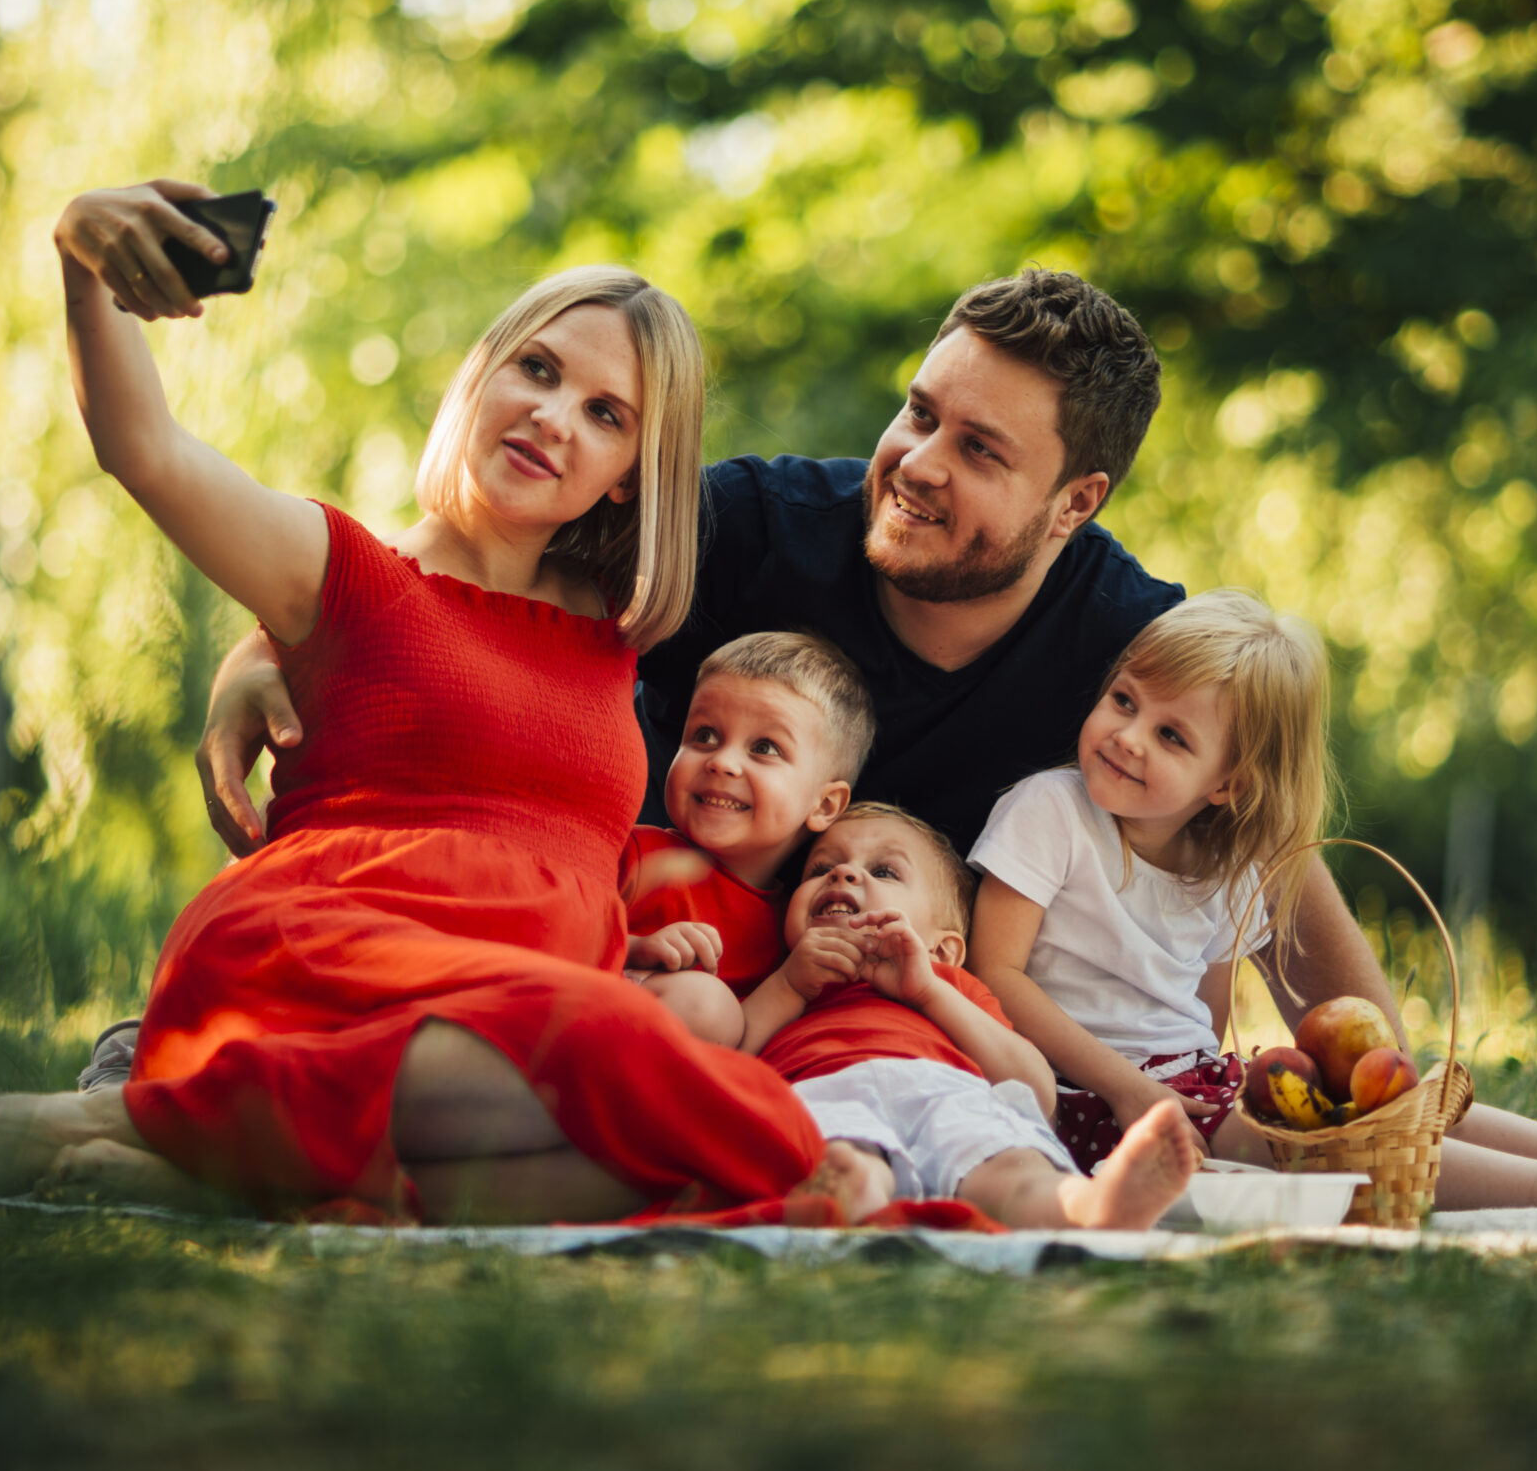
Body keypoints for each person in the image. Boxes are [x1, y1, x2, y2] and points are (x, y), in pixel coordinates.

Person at [0, 178, 884, 1224]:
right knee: (685, 1089)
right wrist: (82, 261)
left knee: (666, 1114)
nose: (552, 418)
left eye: (604, 414)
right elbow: (149, 451)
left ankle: (225, 1158)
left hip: (505, 1021)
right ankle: (150, 1118)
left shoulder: (622, 623)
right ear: (482, 374)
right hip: (321, 955)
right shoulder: (342, 567)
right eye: (536, 370)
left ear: (632, 473)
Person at [187, 267, 1412, 1064]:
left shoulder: (1122, 647)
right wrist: (265, 645)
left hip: (892, 1010)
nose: (918, 459)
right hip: (663, 959)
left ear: (1071, 503)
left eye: (979, 448)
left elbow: (1258, 833)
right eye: (918, 411)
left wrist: (1374, 1064)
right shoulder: (747, 527)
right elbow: (458, 567)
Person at [969, 590, 1537, 1210]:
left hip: (1188, 1082)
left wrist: (1226, 1080)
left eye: (1173, 736)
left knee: (1390, 1100)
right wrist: (1128, 1085)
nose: (1128, 735)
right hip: (1086, 1095)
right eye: (1124, 700)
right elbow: (997, 976)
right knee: (1332, 1154)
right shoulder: (1050, 813)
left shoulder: (1226, 868)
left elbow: (1203, 1020)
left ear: (1228, 784)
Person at [740, 805, 1204, 1229]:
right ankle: (854, 1193)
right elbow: (732, 1063)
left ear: (942, 949)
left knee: (1009, 1164)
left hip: (947, 1094)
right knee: (840, 1154)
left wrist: (930, 991)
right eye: (820, 868)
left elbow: (1037, 1091)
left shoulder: (949, 987)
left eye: (883, 870)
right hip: (824, 1092)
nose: (842, 873)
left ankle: (1084, 1208)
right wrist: (789, 984)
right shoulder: (782, 982)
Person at [614, 630, 873, 1048]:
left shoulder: (793, 931)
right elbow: (555, 931)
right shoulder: (636, 853)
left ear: (824, 805)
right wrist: (635, 947)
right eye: (704, 735)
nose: (722, 761)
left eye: (765, 747)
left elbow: (745, 1047)